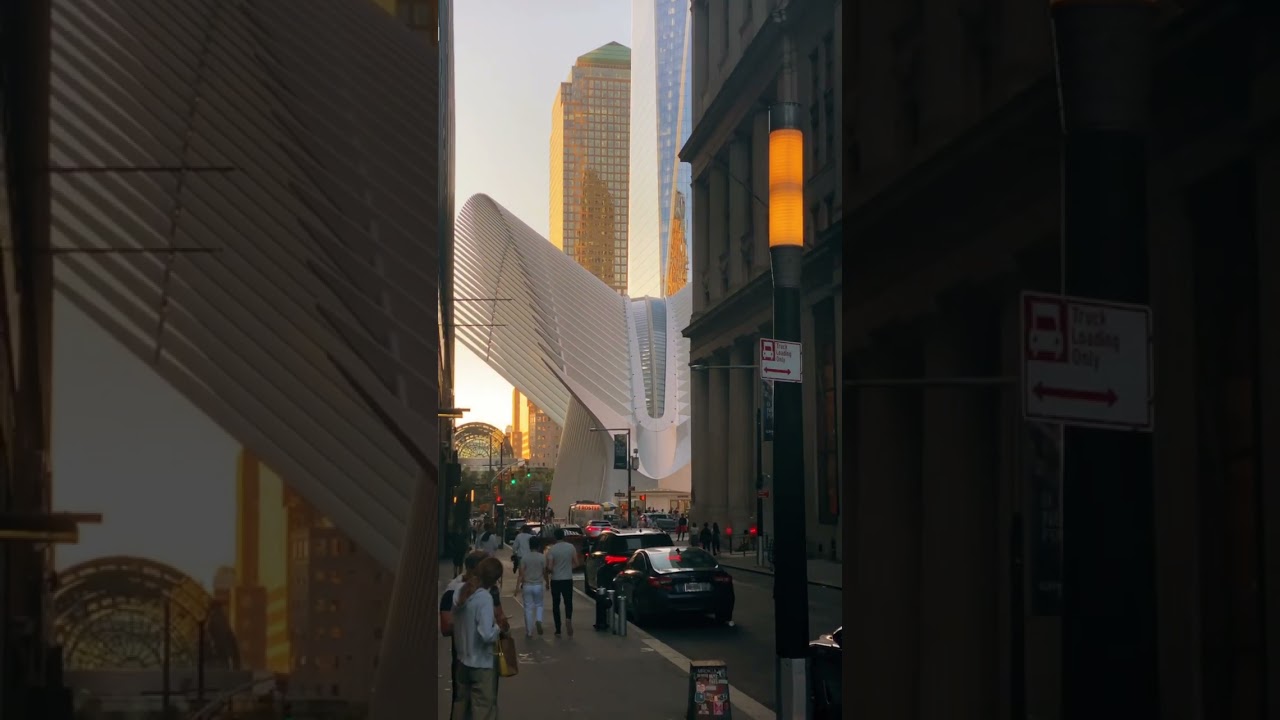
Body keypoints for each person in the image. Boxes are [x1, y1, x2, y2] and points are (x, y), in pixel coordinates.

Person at [451, 557, 508, 719]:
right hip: (481, 664)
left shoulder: (460, 591)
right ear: (495, 579)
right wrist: (499, 626)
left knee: (461, 708)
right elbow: (486, 635)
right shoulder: (484, 598)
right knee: (483, 710)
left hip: (462, 661)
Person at [440, 551, 489, 710]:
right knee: (463, 703)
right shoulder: (453, 591)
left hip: (484, 660)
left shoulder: (486, 591)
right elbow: (446, 627)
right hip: (464, 659)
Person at [545, 527, 580, 636]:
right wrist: (569, 567)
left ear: (555, 537)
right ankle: (568, 618)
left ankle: (558, 629)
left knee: (556, 604)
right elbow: (577, 563)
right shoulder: (571, 547)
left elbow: (550, 567)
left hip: (556, 579)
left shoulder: (552, 550)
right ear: (564, 536)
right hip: (567, 579)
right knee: (568, 601)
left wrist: (549, 571)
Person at [517, 536, 547, 637]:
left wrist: (517, 588)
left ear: (529, 545)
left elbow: (521, 574)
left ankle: (529, 631)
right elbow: (545, 572)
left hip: (527, 585)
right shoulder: (542, 557)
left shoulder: (525, 557)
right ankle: (538, 620)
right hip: (538, 584)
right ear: (539, 546)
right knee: (539, 605)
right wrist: (547, 582)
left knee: (528, 608)